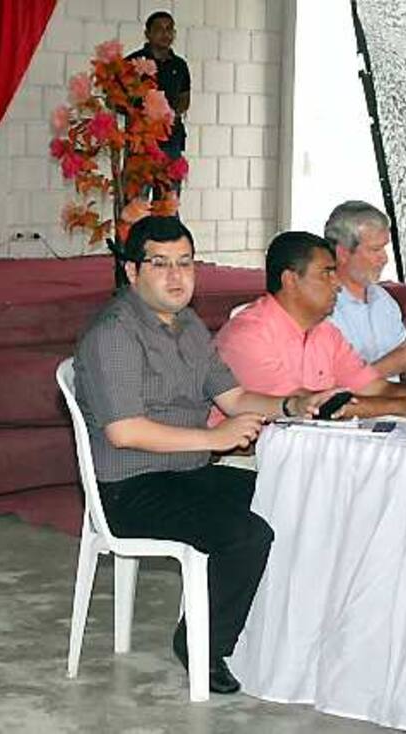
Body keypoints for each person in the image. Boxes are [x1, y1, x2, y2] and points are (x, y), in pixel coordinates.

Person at [73, 216, 328, 695]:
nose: (177, 277)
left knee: (287, 496)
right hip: (130, 490)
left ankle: (271, 631)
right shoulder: (114, 334)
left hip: (187, 472)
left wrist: (293, 403)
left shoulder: (187, 325)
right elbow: (125, 432)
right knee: (246, 534)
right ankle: (202, 646)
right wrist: (216, 440)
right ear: (132, 272)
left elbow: (233, 399)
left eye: (185, 263)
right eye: (161, 264)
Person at [216, 231, 406, 419]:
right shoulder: (249, 335)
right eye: (326, 274)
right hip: (248, 458)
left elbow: (373, 388)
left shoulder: (325, 331)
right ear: (290, 280)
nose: (337, 283)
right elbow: (309, 406)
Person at [325, 201, 406, 378]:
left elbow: (401, 359)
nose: (384, 258)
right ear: (343, 253)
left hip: (390, 403)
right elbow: (323, 390)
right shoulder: (321, 306)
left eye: (384, 248)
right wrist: (387, 367)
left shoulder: (383, 301)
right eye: (375, 249)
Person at [126, 11, 190, 162]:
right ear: (147, 33)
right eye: (159, 29)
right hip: (140, 140)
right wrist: (144, 116)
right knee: (138, 184)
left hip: (171, 139)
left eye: (169, 29)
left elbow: (184, 99)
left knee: (170, 184)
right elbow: (115, 100)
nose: (165, 33)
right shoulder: (133, 62)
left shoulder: (180, 65)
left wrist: (169, 115)